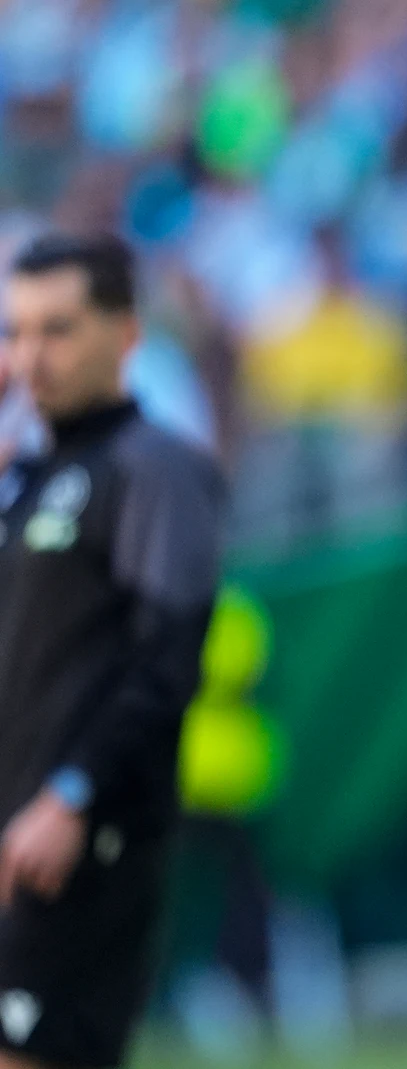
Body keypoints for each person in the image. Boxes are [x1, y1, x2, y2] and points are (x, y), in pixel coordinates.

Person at [0, 233, 226, 1069]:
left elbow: (169, 657)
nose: (32, 356)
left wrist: (71, 792)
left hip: (81, 837)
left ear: (125, 333)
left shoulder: (156, 469)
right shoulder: (26, 478)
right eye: (16, 332)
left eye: (57, 329)